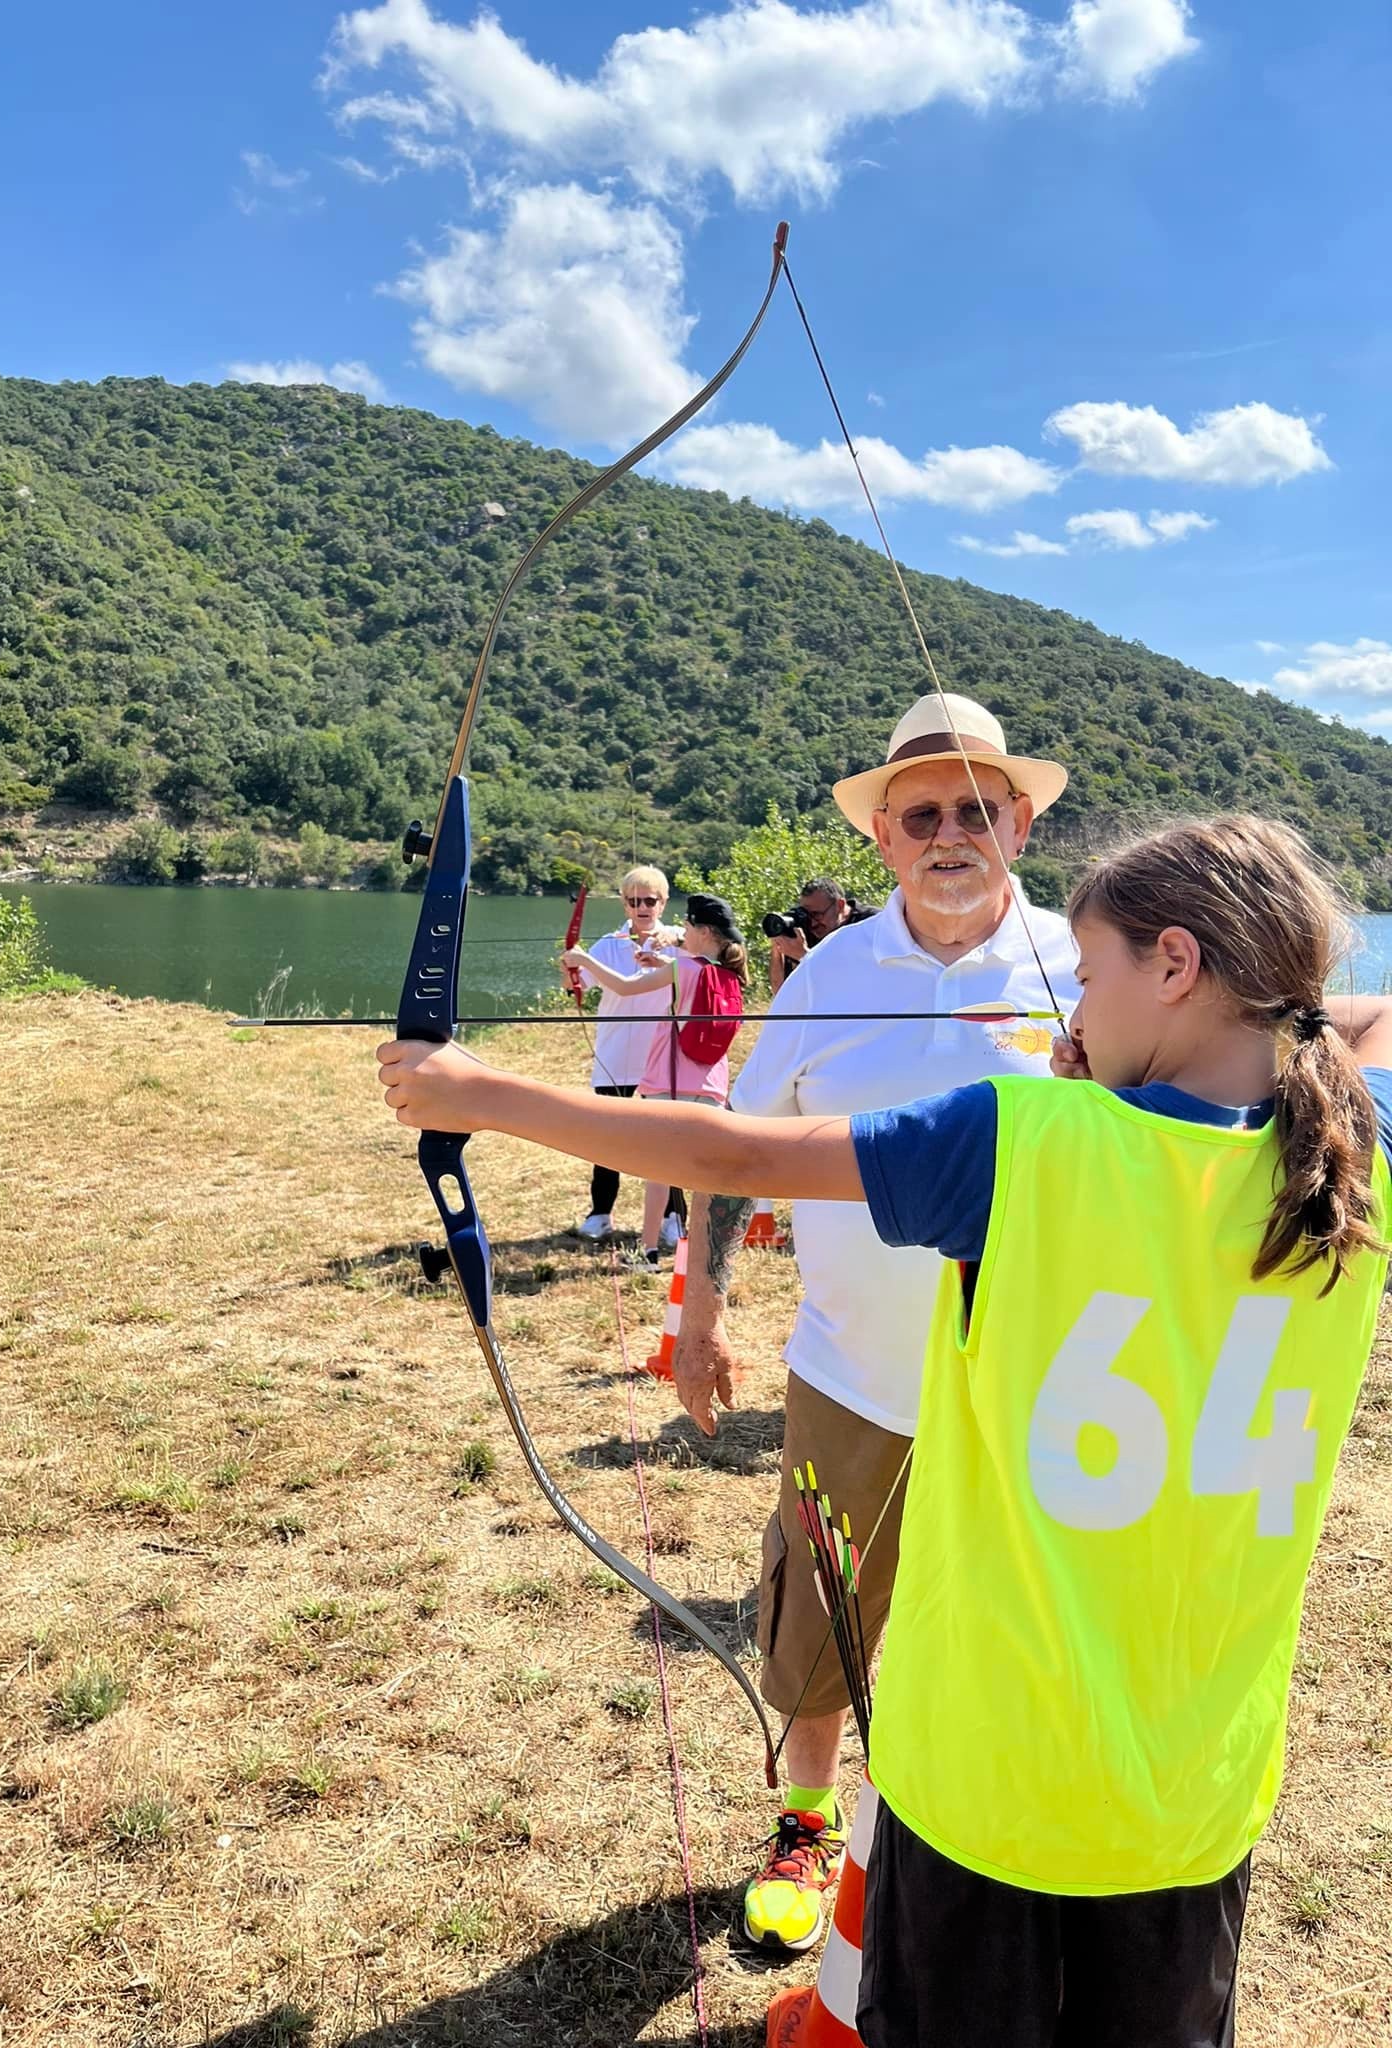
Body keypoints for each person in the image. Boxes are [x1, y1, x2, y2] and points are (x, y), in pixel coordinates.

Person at [379, 813, 1392, 2048]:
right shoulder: (1356, 1149)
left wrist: (474, 1091)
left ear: (1176, 964)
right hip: (1192, 1795)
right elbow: (1364, 1022)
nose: (1072, 998)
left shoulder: (1022, 1135)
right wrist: (1268, 1029)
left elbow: (723, 1146)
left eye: (1092, 967)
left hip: (985, 1783)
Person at [679, 694, 1079, 1954]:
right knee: (823, 1609)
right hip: (853, 1371)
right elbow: (728, 1153)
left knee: (1019, 1623)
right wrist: (701, 1311)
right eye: (924, 813)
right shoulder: (828, 974)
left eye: (977, 809)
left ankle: (983, 1839)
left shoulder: (1094, 960)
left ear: (1018, 823)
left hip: (1042, 1381)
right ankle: (805, 1819)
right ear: (884, 840)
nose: (952, 831)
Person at [564, 892, 747, 1270]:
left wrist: (583, 960)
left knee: (659, 1169)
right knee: (705, 1169)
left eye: (688, 925)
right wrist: (661, 960)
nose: (683, 931)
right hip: (711, 1081)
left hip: (671, 1080)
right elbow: (693, 974)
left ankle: (647, 1252)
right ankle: (706, 1251)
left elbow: (626, 987)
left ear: (702, 930)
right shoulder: (730, 973)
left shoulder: (683, 968)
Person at [563, 865, 688, 1247]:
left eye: (650, 900)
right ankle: (601, 1212)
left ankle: (673, 1217)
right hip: (615, 1054)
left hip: (662, 1054)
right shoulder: (607, 944)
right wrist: (570, 965)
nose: (642, 907)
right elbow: (576, 985)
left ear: (664, 902)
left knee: (668, 1137)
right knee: (609, 1137)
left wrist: (675, 946)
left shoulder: (680, 941)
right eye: (634, 901)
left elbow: (708, 968)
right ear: (625, 903)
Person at [767, 877, 876, 993]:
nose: (813, 923)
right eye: (807, 915)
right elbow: (780, 991)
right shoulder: (804, 928)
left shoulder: (871, 924)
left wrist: (804, 956)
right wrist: (777, 949)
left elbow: (860, 982)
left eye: (817, 914)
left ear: (840, 905)